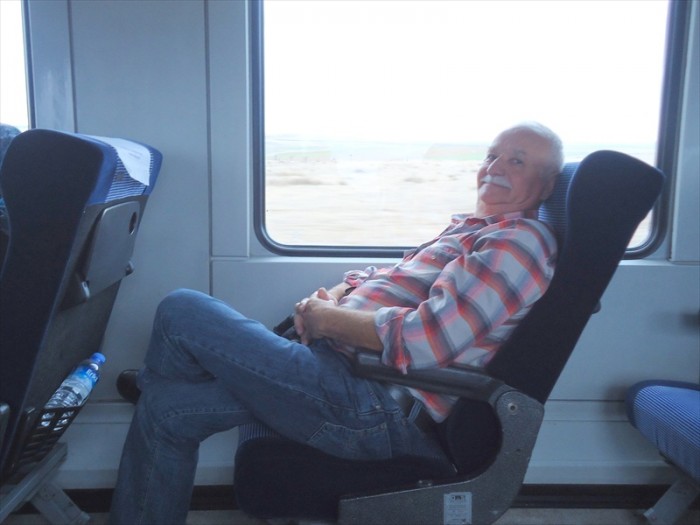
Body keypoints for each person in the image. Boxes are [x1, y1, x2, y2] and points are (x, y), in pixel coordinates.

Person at [109, 122, 563, 524]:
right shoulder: (473, 230)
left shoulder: (516, 244)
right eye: (491, 155)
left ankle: (162, 377)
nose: (494, 167)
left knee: (182, 308)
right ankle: (163, 387)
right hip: (340, 375)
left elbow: (426, 341)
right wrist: (336, 296)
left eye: (517, 160)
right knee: (166, 412)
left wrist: (326, 321)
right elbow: (384, 278)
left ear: (544, 185)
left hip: (369, 403)